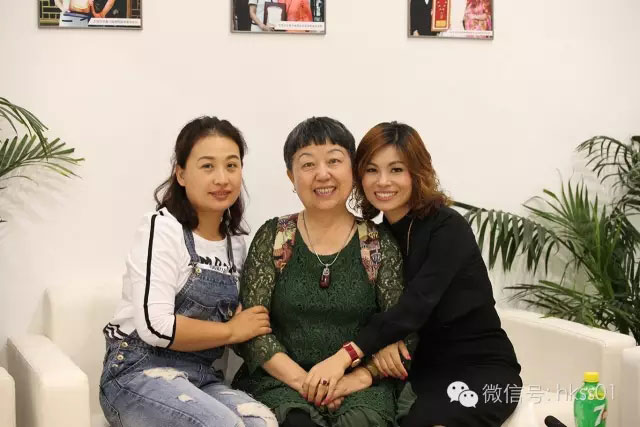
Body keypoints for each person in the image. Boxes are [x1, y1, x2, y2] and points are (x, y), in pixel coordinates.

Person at [308, 122, 522, 426]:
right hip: (419, 372)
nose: (383, 181)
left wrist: (346, 356)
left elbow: (416, 305)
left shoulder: (448, 227)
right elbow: (371, 308)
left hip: (482, 368)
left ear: (417, 173)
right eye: (371, 170)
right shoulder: (374, 238)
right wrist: (377, 353)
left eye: (396, 169)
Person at [98, 116, 278, 427]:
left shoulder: (236, 244)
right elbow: (156, 327)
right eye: (207, 166)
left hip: (202, 377)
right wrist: (232, 330)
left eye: (231, 165)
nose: (222, 178)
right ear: (181, 174)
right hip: (137, 373)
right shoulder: (161, 229)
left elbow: (243, 319)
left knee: (262, 423)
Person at [233, 117, 411, 427]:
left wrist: (357, 377)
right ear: (291, 176)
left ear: (353, 169)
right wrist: (308, 384)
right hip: (281, 383)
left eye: (334, 161)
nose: (322, 174)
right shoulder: (275, 237)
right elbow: (251, 331)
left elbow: (400, 328)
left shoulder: (377, 242)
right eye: (308, 164)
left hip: (358, 386)